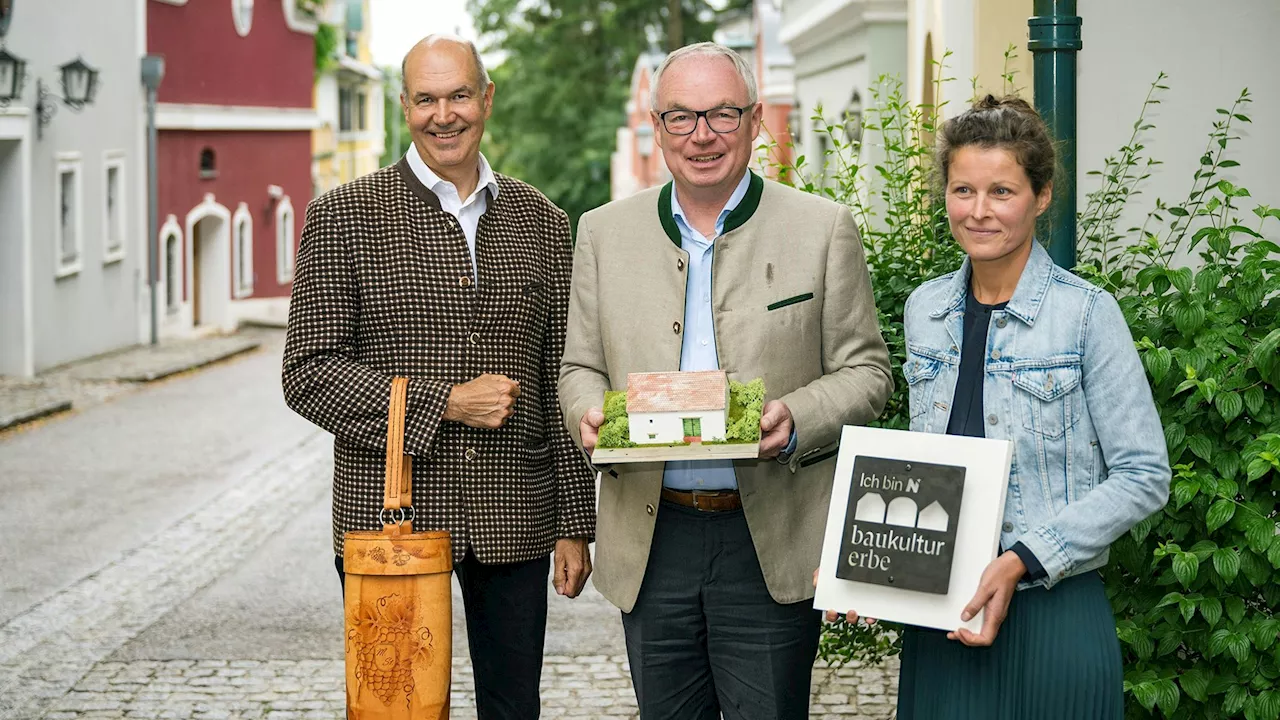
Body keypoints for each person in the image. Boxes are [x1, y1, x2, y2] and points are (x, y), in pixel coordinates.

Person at [558, 41, 893, 719]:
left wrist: (796, 415)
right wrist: (588, 414)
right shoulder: (602, 233)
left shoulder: (823, 229)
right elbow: (579, 367)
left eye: (722, 114)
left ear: (754, 119)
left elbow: (868, 372)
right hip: (654, 539)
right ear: (657, 128)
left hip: (768, 534)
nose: (702, 135)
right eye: (681, 117)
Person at [282, 35, 596, 720]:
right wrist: (445, 403)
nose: (443, 114)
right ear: (404, 107)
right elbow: (306, 373)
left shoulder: (543, 221)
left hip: (516, 509)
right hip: (388, 514)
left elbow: (561, 374)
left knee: (514, 707)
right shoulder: (343, 217)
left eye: (458, 95)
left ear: (487, 99)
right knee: (394, 707)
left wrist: (575, 521)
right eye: (426, 99)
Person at [826, 95, 1171, 719]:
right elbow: (927, 469)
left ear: (1040, 197)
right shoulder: (925, 311)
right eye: (963, 190)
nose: (979, 212)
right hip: (941, 621)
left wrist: (1020, 560)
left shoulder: (1087, 315)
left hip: (1053, 614)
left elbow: (1144, 476)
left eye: (1002, 192)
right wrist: (875, 570)